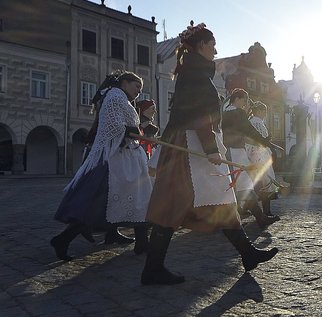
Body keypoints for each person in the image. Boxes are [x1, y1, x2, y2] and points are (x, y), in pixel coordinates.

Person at [142, 23, 278, 286]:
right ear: (201, 46)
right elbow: (199, 114)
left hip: (194, 146)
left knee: (220, 198)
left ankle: (247, 254)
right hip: (193, 148)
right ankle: (153, 268)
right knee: (176, 205)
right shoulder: (195, 74)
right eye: (212, 44)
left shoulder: (193, 71)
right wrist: (211, 148)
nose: (215, 49)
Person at [51, 70, 151, 261]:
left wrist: (135, 132)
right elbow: (113, 126)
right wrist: (132, 131)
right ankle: (63, 239)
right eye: (137, 86)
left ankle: (141, 242)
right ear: (124, 83)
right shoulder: (115, 97)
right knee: (100, 204)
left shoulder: (121, 98)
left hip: (126, 158)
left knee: (139, 200)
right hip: (115, 160)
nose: (139, 91)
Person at [222, 89, 280, 226]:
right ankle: (259, 218)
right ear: (237, 99)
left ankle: (251, 215)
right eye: (245, 100)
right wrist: (265, 141)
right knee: (243, 185)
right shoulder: (237, 113)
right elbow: (250, 131)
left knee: (238, 186)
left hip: (228, 151)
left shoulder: (224, 113)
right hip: (235, 152)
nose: (246, 103)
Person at [246, 101, 281, 216]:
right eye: (264, 111)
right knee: (266, 183)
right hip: (260, 156)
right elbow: (261, 141)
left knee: (257, 183)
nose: (265, 113)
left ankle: (254, 210)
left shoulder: (253, 122)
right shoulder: (257, 123)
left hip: (254, 155)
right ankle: (265, 212)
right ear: (259, 111)